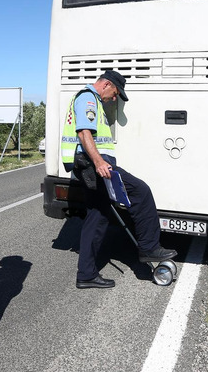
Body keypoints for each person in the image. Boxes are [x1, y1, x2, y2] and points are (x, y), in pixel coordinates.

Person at [61, 70, 177, 289]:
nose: (114, 98)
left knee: (98, 217)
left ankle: (86, 274)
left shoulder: (91, 100)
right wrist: (98, 162)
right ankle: (149, 247)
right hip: (94, 164)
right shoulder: (88, 98)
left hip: (91, 164)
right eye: (115, 92)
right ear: (106, 84)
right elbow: (84, 132)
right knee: (141, 191)